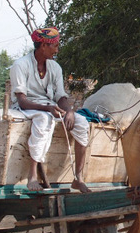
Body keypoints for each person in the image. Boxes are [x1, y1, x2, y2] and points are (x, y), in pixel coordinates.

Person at [9, 27, 91, 193]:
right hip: (27, 107)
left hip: (49, 106)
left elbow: (60, 96)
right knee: (44, 119)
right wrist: (47, 108)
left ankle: (78, 178)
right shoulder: (20, 65)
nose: (57, 50)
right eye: (55, 46)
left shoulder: (55, 67)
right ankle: (32, 176)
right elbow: (22, 101)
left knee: (82, 122)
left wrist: (69, 112)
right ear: (43, 46)